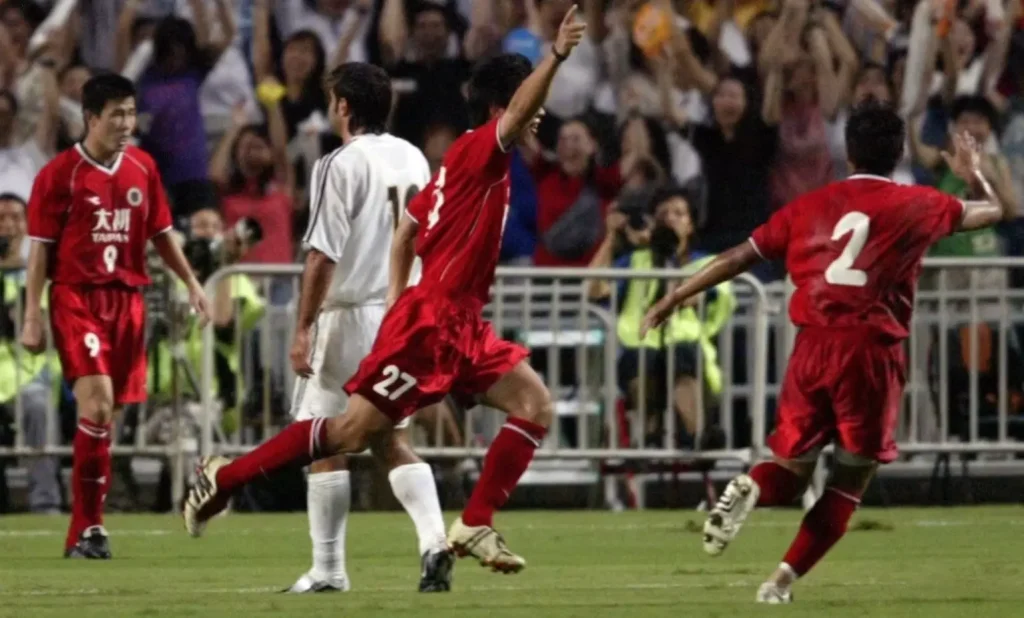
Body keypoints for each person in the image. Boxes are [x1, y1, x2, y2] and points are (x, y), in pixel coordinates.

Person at [183, 6, 588, 574]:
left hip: (452, 321)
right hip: (429, 322)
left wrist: (400, 296)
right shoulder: (479, 151)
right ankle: (225, 479)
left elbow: (408, 228)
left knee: (533, 404)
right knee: (351, 433)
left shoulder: (453, 163)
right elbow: (352, 242)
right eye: (529, 100)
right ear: (506, 104)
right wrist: (558, 53)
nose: (539, 111)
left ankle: (472, 524)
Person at [641, 99, 1004, 604]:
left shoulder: (807, 206)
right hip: (871, 353)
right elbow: (994, 213)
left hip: (810, 349)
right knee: (849, 481)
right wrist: (975, 175)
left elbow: (736, 257)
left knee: (789, 475)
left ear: (848, 155)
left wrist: (675, 295)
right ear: (898, 152)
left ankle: (750, 487)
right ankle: (779, 583)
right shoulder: (917, 202)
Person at [279, 62, 452, 594]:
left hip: (349, 312)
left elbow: (322, 255)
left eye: (333, 101)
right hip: (400, 312)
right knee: (391, 438)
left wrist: (304, 326)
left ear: (344, 107)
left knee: (324, 441)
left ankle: (329, 569)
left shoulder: (338, 163)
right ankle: (434, 541)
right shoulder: (414, 157)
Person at [20, 74, 209, 559]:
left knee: (108, 419)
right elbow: (40, 253)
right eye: (116, 115)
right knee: (98, 405)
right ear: (90, 118)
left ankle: (84, 529)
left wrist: (191, 282)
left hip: (128, 302)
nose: (126, 124)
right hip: (77, 297)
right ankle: (88, 528)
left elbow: (162, 234)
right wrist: (33, 316)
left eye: (130, 113)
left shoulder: (143, 168)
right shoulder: (58, 175)